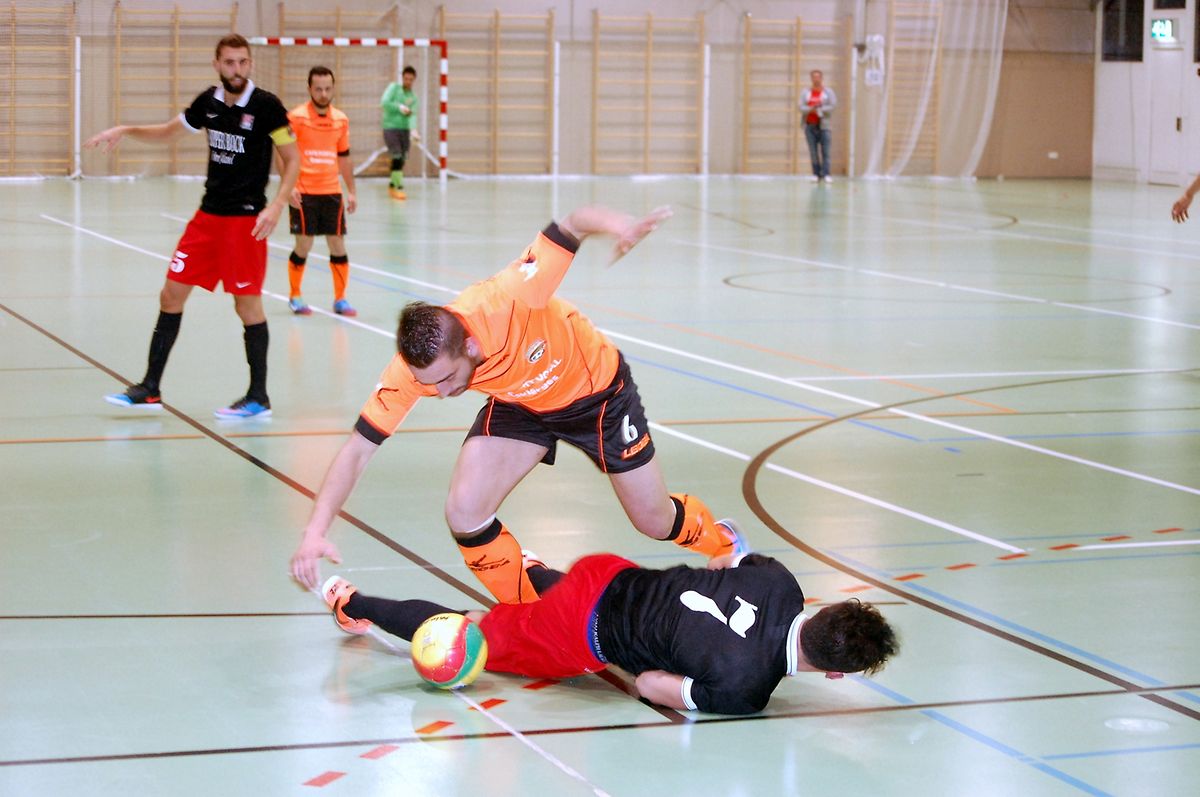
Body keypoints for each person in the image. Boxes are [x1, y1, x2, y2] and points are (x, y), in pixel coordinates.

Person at [289, 205, 748, 605]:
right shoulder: (415, 372)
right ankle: (528, 609)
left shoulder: (513, 294)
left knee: (653, 520)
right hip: (521, 402)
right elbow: (357, 450)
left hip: (598, 395)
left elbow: (573, 222)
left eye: (448, 379)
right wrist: (315, 531)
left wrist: (620, 224)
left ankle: (722, 541)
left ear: (469, 344)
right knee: (464, 510)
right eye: (430, 384)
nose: (444, 393)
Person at [322, 549, 899, 716]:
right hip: (583, 632)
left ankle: (537, 571)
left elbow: (729, 561)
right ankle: (354, 602)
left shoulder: (783, 585)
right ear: (833, 671)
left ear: (822, 611)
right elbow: (650, 684)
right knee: (467, 636)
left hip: (611, 570)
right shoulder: (747, 690)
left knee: (577, 588)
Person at [86, 33, 299, 419]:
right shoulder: (209, 102)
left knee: (246, 304)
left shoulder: (267, 106)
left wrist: (279, 204)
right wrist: (126, 130)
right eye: (229, 62)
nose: (236, 69)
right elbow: (169, 131)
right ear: (217, 64)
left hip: (247, 220)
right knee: (171, 294)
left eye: (243, 62)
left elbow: (291, 158)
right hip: (207, 218)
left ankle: (258, 397)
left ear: (249, 64)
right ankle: (150, 388)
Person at [281, 65, 358, 317]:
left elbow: (344, 158)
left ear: (333, 88)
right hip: (304, 192)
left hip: (331, 192)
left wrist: (352, 191)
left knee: (337, 244)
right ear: (309, 89)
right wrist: (288, 187)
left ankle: (340, 299)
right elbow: (282, 154)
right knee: (304, 244)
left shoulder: (341, 120)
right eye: (318, 89)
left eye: (327, 88)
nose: (323, 94)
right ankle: (295, 296)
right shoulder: (296, 118)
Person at [379, 65, 421, 200]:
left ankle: (392, 184)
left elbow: (412, 115)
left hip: (404, 130)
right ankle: (399, 186)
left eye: (411, 79)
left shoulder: (413, 97)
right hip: (390, 128)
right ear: (402, 77)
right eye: (406, 78)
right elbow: (384, 102)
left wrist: (414, 130)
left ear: (414, 80)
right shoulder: (393, 88)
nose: (408, 81)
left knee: (403, 157)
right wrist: (399, 107)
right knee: (396, 154)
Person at [799, 70, 837, 182]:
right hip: (810, 125)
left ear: (821, 78)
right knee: (813, 151)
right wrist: (811, 109)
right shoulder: (806, 92)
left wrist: (820, 109)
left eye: (818, 77)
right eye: (814, 77)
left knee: (826, 151)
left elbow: (833, 105)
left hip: (824, 126)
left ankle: (826, 173)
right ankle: (816, 173)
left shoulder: (828, 92)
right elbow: (801, 107)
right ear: (811, 79)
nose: (816, 79)